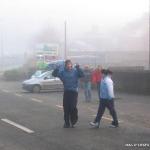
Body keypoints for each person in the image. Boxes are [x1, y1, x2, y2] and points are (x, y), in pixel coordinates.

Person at [52, 59, 84, 128]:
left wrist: (78, 67)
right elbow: (54, 74)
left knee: (73, 107)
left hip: (74, 92)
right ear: (65, 66)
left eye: (70, 64)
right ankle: (67, 123)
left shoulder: (75, 71)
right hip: (66, 92)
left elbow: (82, 75)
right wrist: (56, 68)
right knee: (66, 108)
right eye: (67, 65)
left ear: (72, 65)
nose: (69, 66)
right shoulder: (62, 72)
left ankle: (73, 120)